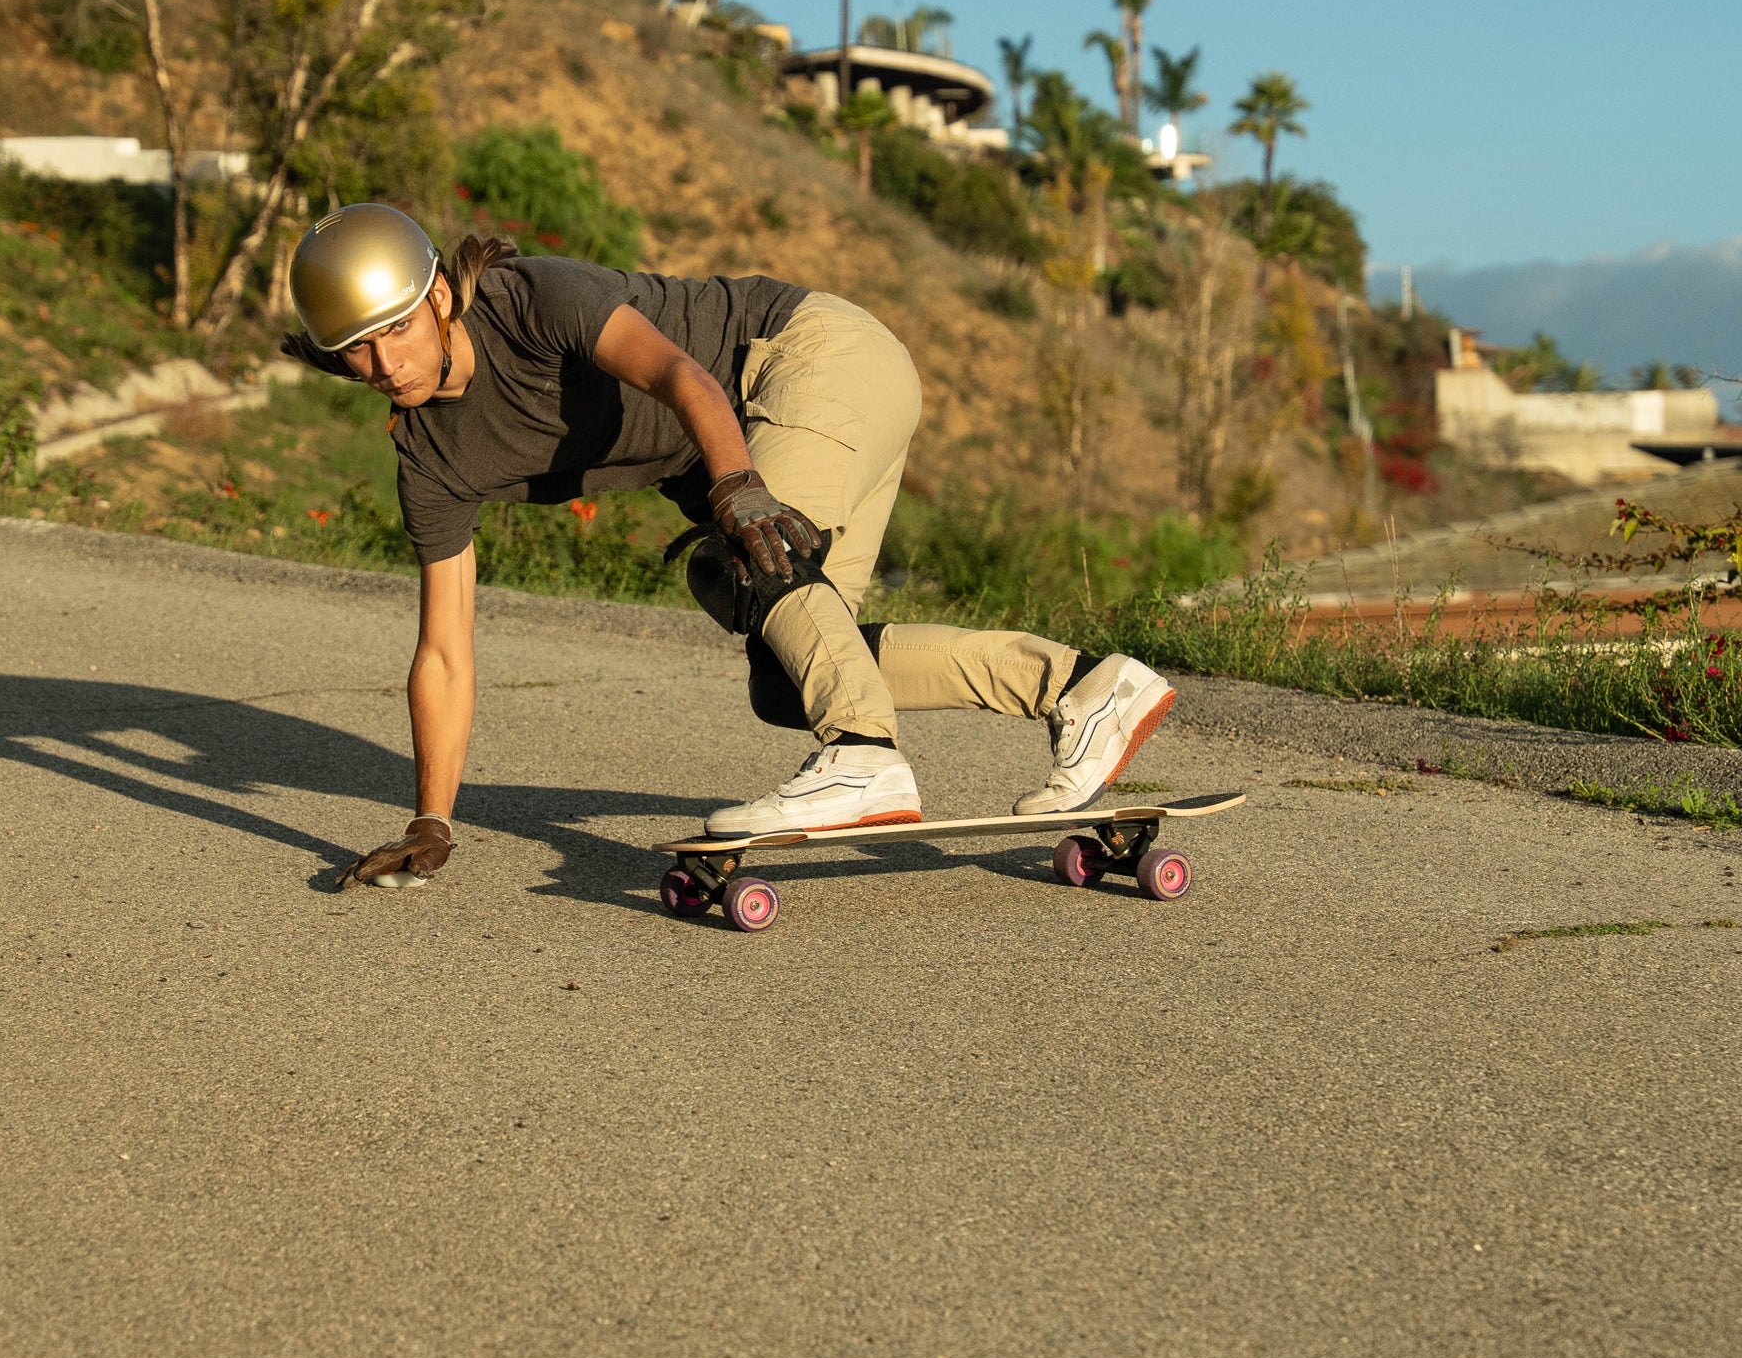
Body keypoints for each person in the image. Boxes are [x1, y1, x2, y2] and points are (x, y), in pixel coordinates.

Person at [279, 204, 1175, 887]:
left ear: (438, 298)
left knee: (739, 562)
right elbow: (443, 652)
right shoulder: (430, 459)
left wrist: (739, 490)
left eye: (397, 329)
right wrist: (433, 820)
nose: (388, 364)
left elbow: (681, 373)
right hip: (803, 406)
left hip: (807, 357)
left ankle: (864, 758)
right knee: (791, 673)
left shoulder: (533, 300)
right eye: (359, 351)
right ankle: (1084, 686)